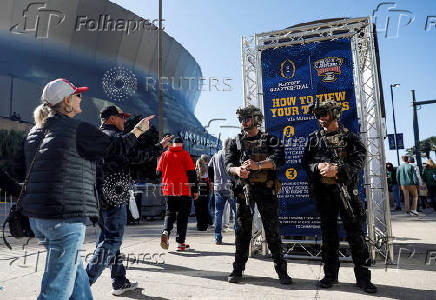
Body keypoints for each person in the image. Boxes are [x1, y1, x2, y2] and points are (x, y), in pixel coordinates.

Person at [20, 78, 152, 300]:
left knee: (78, 285)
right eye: (78, 95)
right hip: (64, 218)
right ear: (67, 101)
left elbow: (27, 173)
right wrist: (138, 130)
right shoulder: (78, 129)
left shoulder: (35, 131)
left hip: (38, 218)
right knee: (56, 291)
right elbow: (117, 147)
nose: (81, 98)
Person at [85, 106, 172, 296]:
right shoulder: (111, 137)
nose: (125, 120)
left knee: (109, 241)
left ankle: (119, 281)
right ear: (111, 118)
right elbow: (126, 148)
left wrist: (160, 147)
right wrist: (139, 129)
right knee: (112, 241)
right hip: (112, 198)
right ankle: (83, 284)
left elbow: (135, 156)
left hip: (99, 199)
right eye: (122, 117)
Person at [302, 100, 377, 293]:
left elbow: (360, 159)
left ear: (334, 114)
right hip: (324, 194)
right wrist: (317, 167)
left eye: (324, 114)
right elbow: (305, 163)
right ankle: (330, 276)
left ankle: (363, 278)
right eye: (318, 115)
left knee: (356, 236)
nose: (320, 118)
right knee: (329, 236)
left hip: (346, 193)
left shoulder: (349, 138)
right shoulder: (313, 138)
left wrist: (339, 168)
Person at [225, 105, 292, 284]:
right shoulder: (234, 142)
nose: (243, 122)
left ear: (256, 119)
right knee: (242, 233)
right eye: (240, 120)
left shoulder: (270, 139)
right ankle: (237, 270)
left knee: (272, 232)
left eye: (246, 118)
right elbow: (228, 165)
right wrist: (238, 170)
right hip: (244, 192)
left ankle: (282, 271)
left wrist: (259, 165)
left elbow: (279, 159)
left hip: (266, 190)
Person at [157, 136, 198, 251]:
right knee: (182, 217)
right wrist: (194, 191)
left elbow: (158, 173)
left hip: (168, 190)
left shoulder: (165, 155)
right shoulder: (185, 154)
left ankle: (166, 231)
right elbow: (192, 174)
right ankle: (180, 244)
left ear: (173, 144)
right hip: (183, 190)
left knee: (169, 213)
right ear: (182, 144)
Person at [208, 138, 238, 244]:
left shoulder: (216, 155)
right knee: (235, 212)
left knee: (218, 213)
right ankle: (238, 237)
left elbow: (209, 168)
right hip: (230, 186)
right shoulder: (232, 155)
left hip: (218, 186)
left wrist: (212, 180)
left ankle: (217, 237)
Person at [195, 155, 211, 231]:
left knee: (198, 209)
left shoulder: (195, 172)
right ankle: (204, 225)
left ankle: (199, 225)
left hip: (197, 191)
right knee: (204, 208)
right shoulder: (207, 171)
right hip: (205, 190)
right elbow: (209, 181)